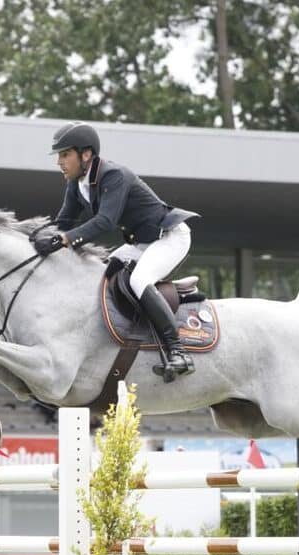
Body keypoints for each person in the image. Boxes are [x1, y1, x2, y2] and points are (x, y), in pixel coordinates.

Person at [35, 121, 200, 382]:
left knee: (139, 280)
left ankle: (178, 352)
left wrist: (64, 240)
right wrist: (38, 237)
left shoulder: (113, 175)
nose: (59, 162)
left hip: (170, 236)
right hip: (142, 242)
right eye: (59, 156)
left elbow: (105, 221)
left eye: (65, 154)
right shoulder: (77, 184)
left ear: (85, 154)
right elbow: (63, 222)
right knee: (102, 274)